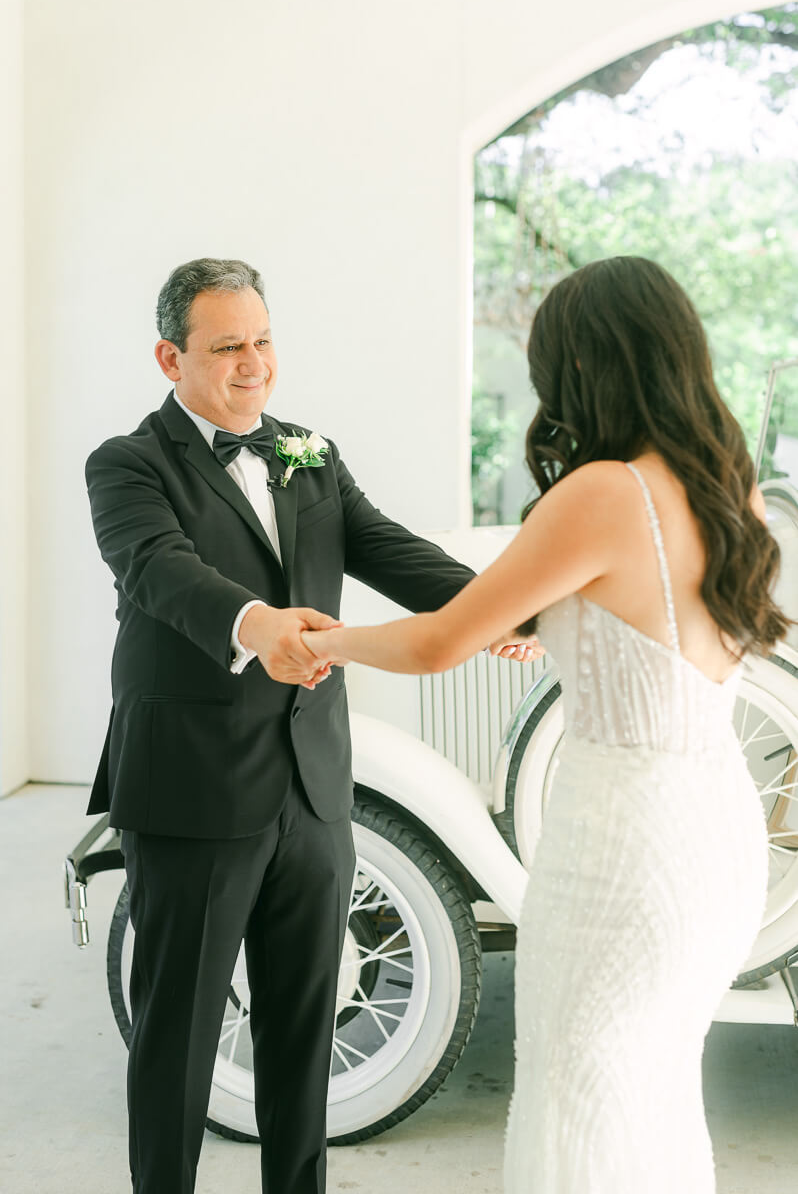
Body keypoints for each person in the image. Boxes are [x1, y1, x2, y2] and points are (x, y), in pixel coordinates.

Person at [301, 255, 789, 1193]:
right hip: (715, 835)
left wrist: (329, 643)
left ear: (585, 368)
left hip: (624, 843)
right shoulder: (736, 496)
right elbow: (646, 617)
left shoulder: (604, 492)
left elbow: (443, 642)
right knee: (650, 1091)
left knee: (581, 1088)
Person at [85, 256, 537, 1194]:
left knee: (304, 1033)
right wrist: (256, 627)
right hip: (193, 789)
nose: (253, 364)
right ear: (170, 357)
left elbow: (391, 551)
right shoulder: (126, 463)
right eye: (226, 347)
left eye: (262, 341)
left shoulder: (310, 453)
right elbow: (159, 571)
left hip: (316, 786)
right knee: (180, 1037)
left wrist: (503, 608)